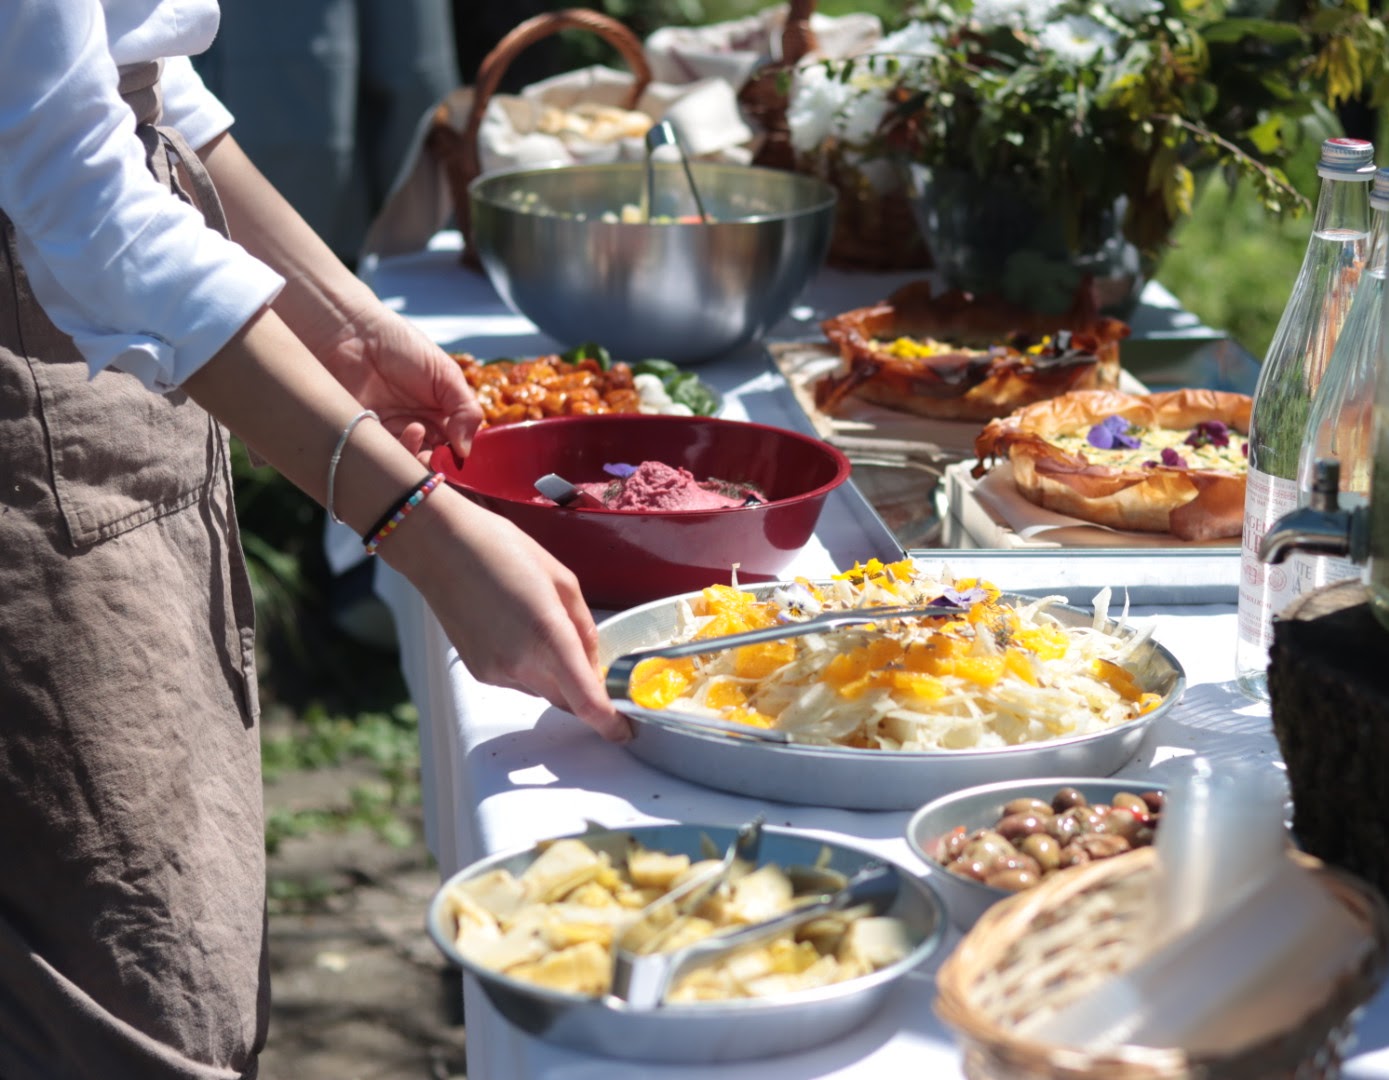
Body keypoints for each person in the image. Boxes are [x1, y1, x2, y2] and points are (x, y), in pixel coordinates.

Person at [0, 3, 625, 1077]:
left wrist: (337, 316)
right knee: (132, 1009)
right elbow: (69, 176)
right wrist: (419, 531)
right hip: (43, 353)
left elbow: (135, 71)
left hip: (95, 318)